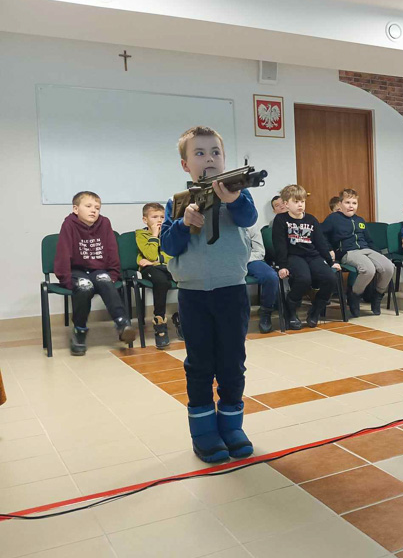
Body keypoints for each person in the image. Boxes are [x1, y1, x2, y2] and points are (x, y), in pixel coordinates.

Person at [161, 126, 256, 463]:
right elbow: (169, 246)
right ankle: (203, 431)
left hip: (231, 291)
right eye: (199, 153)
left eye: (215, 152)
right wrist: (184, 223)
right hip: (193, 295)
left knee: (233, 363)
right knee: (200, 364)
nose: (209, 158)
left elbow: (249, 217)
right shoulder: (177, 202)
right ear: (186, 165)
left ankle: (232, 426)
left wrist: (235, 197)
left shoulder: (239, 195)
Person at [54, 191, 136, 356]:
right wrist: (67, 280)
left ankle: (122, 324)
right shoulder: (69, 224)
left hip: (98, 269)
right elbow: (63, 253)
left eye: (97, 208)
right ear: (76, 209)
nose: (94, 210)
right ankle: (79, 331)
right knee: (84, 287)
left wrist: (113, 274)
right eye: (89, 206)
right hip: (76, 270)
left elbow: (112, 250)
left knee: (104, 279)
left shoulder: (104, 223)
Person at [272, 185, 340, 329]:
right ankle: (290, 309)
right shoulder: (281, 220)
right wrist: (282, 265)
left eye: (302, 201)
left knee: (330, 279)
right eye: (296, 202)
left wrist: (330, 261)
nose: (300, 205)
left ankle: (315, 311)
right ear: (286, 204)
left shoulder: (311, 219)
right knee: (304, 279)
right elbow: (280, 245)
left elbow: (321, 242)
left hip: (312, 256)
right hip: (293, 256)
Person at [321, 188, 395, 317]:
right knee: (368, 269)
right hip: (347, 252)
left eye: (354, 203)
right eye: (347, 202)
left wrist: (379, 254)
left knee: (389, 267)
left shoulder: (360, 220)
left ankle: (377, 296)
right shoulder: (333, 218)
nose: (351, 206)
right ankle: (354, 296)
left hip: (366, 249)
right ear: (340, 204)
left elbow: (368, 240)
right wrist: (329, 250)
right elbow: (321, 235)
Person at [136, 202, 176, 348]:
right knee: (161, 282)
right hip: (150, 271)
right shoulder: (141, 235)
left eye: (162, 217)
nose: (159, 220)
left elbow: (172, 256)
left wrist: (155, 261)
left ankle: (183, 318)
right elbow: (150, 254)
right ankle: (160, 323)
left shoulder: (169, 234)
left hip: (166, 267)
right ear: (145, 220)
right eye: (154, 217)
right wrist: (154, 235)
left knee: (185, 276)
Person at [245, 225, 280, 333]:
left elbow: (259, 251)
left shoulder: (250, 225)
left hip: (250, 259)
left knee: (271, 277)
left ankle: (266, 313)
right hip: (227, 263)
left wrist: (242, 259)